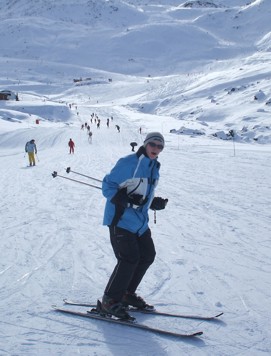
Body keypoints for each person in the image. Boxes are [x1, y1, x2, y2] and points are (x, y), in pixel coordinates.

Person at [101, 132, 168, 319]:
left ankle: (125, 293)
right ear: (145, 144)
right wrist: (120, 197)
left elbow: (143, 191)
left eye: (160, 146)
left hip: (140, 221)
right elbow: (107, 186)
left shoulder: (154, 166)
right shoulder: (129, 162)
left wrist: (152, 202)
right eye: (153, 144)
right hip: (120, 219)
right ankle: (109, 300)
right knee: (129, 258)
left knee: (147, 255)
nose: (156, 149)